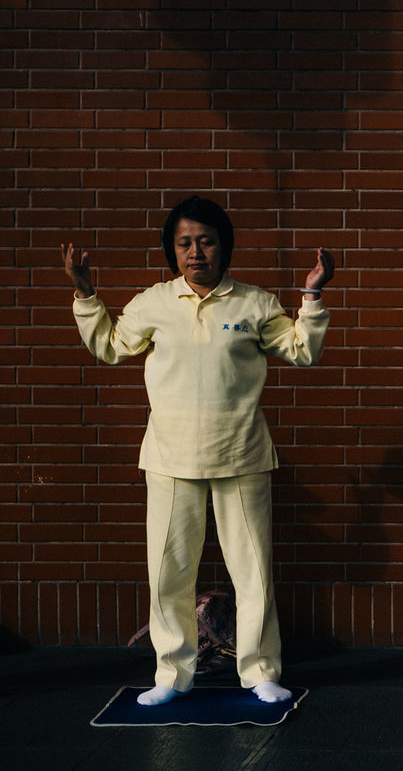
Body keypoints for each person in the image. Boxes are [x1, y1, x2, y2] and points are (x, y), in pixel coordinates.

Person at [62, 196, 334, 706]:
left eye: (205, 241)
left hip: (243, 456)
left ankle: (259, 672)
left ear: (223, 246)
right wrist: (85, 292)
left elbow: (302, 350)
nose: (195, 252)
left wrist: (312, 296)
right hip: (169, 459)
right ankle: (172, 675)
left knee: (253, 573)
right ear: (172, 249)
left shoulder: (254, 303)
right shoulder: (152, 303)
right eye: (184, 243)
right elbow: (109, 346)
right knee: (168, 574)